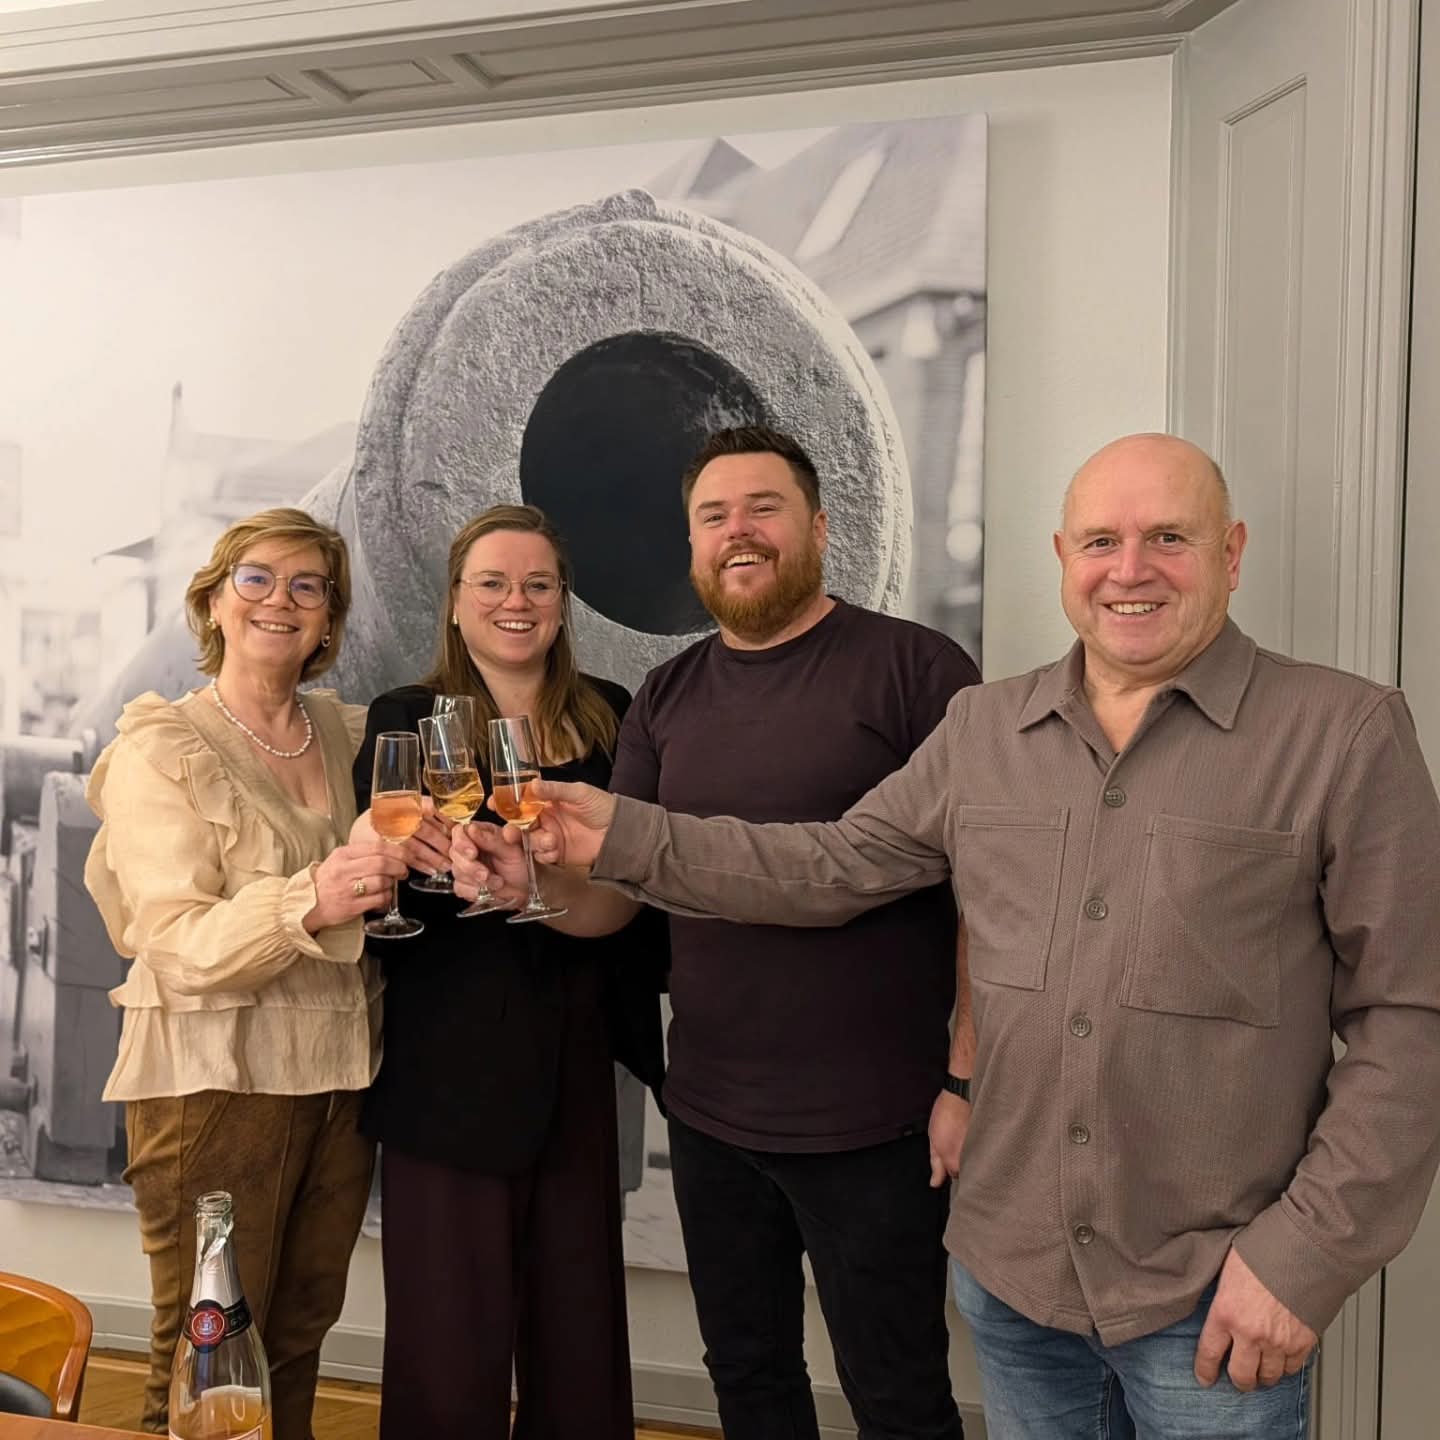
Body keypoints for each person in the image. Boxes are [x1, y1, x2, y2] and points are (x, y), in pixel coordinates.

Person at [493, 433, 1440, 1440]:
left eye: (1169, 537)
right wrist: (617, 833)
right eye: (1101, 541)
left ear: (1231, 552)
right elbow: (832, 866)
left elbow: (1411, 1019)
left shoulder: (1342, 733)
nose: (1130, 569)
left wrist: (1304, 1256)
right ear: (1064, 557)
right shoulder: (987, 728)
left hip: (1211, 1294)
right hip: (1015, 1283)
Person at [458, 427, 981, 1440]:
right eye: (713, 516)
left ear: (819, 527)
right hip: (710, 1115)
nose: (737, 532)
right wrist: (533, 886)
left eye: (762, 508)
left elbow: (989, 897)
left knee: (900, 1396)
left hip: (876, 1124)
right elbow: (617, 900)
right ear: (692, 545)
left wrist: (964, 1081)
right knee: (747, 1380)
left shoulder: (918, 669)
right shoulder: (668, 693)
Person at [84, 508, 408, 1438]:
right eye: (257, 578)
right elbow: (175, 942)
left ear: (329, 618)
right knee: (209, 1351)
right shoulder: (162, 746)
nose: (281, 600)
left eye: (309, 586)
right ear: (215, 601)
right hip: (213, 1083)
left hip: (340, 1080)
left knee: (298, 1335)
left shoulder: (348, 734)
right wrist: (313, 896)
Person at [351, 504, 664, 1440]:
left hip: (578, 1056)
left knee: (580, 1344)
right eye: (491, 582)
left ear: (563, 603)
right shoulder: (406, 716)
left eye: (537, 583)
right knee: (447, 1359)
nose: (514, 601)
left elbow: (640, 882)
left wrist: (551, 882)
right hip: (446, 1068)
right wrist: (399, 852)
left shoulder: (616, 712)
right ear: (455, 602)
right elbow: (380, 867)